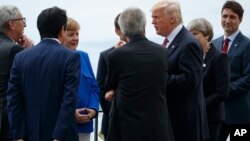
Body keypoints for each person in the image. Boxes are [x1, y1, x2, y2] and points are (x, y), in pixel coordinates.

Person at [7, 6, 80, 141]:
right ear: (62, 29)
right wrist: (58, 137)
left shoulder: (20, 57)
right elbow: (68, 100)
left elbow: (13, 99)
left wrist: (18, 136)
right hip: (61, 135)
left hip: (29, 133)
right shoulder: (71, 57)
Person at [104, 7, 174, 141]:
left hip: (128, 125)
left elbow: (109, 85)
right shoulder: (162, 51)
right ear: (144, 26)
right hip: (158, 125)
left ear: (123, 29)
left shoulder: (117, 54)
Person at [151, 0, 209, 141]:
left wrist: (157, 79)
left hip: (184, 125)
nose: (152, 22)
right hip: (172, 121)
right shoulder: (171, 41)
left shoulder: (188, 43)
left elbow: (189, 81)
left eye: (156, 17)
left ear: (172, 19)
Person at [212, 1, 250, 141]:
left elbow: (248, 78)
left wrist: (224, 91)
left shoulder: (247, 45)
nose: (227, 20)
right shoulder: (214, 44)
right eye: (224, 16)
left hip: (240, 115)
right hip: (217, 114)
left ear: (240, 19)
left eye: (232, 17)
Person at [187, 18, 230, 141]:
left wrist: (200, 105)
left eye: (195, 34)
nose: (191, 37)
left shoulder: (220, 57)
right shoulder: (191, 57)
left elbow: (222, 92)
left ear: (207, 35)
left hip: (211, 117)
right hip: (193, 117)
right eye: (189, 34)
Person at [63, 17, 99, 141]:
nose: (76, 38)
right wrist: (70, 113)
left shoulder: (84, 56)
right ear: (61, 35)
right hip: (62, 126)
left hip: (84, 124)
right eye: (71, 34)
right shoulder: (55, 59)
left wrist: (94, 109)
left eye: (77, 34)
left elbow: (94, 88)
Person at [0, 5, 33, 141]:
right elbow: (29, 83)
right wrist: (28, 52)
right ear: (12, 24)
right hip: (8, 121)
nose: (24, 24)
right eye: (22, 20)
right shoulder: (15, 50)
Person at [97, 13, 126, 140]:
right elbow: (101, 89)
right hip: (111, 119)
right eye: (125, 27)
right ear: (117, 31)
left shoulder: (147, 52)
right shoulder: (105, 55)